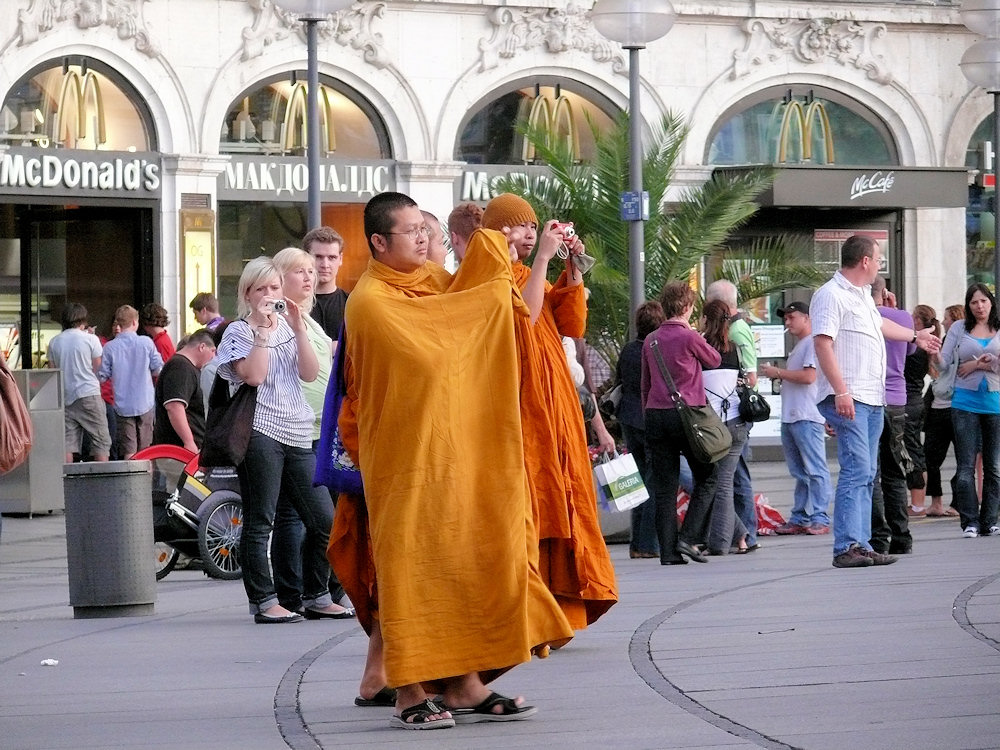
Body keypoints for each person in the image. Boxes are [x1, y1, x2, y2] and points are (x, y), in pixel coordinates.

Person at [334, 191, 572, 728]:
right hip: (406, 460)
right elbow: (439, 349)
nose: (424, 239)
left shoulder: (435, 284)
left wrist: (531, 259)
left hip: (457, 455)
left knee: (464, 558)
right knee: (412, 571)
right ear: (377, 242)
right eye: (411, 232)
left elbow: (509, 318)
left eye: (426, 229)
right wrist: (493, 251)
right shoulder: (371, 301)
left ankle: (465, 684)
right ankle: (408, 691)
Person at [481, 193, 618, 630]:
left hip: (555, 405)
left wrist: (573, 269)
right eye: (520, 226)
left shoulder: (525, 271)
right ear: (499, 230)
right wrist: (542, 258)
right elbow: (525, 313)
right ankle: (533, 607)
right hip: (523, 411)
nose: (528, 233)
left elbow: (571, 325)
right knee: (537, 505)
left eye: (532, 226)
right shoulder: (489, 274)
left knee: (566, 497)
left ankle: (562, 604)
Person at [216, 256, 345, 625]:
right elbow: (253, 376)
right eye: (262, 289)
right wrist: (261, 332)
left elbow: (309, 373)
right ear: (247, 293)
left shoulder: (291, 326)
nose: (270, 295)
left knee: (325, 520)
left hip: (298, 430)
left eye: (274, 288)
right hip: (259, 433)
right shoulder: (237, 332)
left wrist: (298, 328)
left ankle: (316, 594)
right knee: (261, 521)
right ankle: (264, 600)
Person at [811, 234, 939, 568]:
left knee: (867, 472)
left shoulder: (863, 296)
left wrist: (916, 336)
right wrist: (840, 390)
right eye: (878, 258)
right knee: (857, 470)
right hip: (851, 395)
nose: (880, 263)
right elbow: (823, 344)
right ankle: (846, 546)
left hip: (872, 397)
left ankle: (862, 543)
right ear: (865, 261)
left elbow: (879, 324)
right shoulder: (831, 295)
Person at [270, 246, 352, 619]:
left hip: (320, 427)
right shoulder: (280, 318)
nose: (310, 275)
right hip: (296, 428)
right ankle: (304, 593)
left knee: (303, 516)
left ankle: (306, 592)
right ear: (281, 279)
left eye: (311, 269)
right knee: (310, 519)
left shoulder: (309, 318)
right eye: (300, 270)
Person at [641, 280, 721, 565]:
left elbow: (645, 384)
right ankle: (688, 537)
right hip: (687, 415)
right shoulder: (689, 337)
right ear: (687, 307)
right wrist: (694, 334)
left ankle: (668, 552)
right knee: (709, 475)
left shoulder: (651, 340)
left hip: (655, 415)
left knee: (664, 486)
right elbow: (714, 359)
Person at [761, 301, 832, 535]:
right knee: (800, 472)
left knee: (815, 469)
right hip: (793, 416)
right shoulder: (801, 345)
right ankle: (800, 516)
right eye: (786, 318)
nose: (787, 322)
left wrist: (778, 373)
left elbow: (809, 377)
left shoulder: (812, 343)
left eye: (792, 317)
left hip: (806, 415)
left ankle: (819, 516)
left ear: (807, 318)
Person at [937, 282, 1000, 538]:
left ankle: (990, 520)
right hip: (964, 403)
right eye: (974, 302)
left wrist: (977, 365)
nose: (979, 306)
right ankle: (970, 521)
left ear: (991, 302)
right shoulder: (958, 327)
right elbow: (944, 363)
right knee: (965, 466)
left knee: (994, 466)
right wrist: (932, 353)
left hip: (994, 403)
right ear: (968, 305)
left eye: (983, 301)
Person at [705, 279, 760, 552]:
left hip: (731, 415)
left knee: (731, 480)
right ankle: (740, 534)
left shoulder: (736, 332)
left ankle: (741, 535)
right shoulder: (731, 332)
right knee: (729, 479)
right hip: (735, 417)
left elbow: (750, 375)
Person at [615, 300, 666, 559]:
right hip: (649, 418)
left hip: (628, 417)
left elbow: (619, 381)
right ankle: (647, 544)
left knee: (637, 482)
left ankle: (636, 543)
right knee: (654, 481)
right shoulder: (654, 349)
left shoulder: (628, 350)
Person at [869, 276, 916, 556]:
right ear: (885, 292)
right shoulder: (903, 318)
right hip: (898, 399)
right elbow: (910, 351)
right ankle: (902, 536)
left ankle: (879, 537)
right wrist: (896, 310)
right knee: (895, 471)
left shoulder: (863, 315)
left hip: (871, 400)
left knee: (871, 473)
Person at [46, 303, 111, 463]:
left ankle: (65, 484)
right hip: (88, 393)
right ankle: (104, 483)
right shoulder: (91, 339)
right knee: (101, 441)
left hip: (66, 396)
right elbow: (98, 367)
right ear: (82, 320)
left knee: (68, 444)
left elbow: (52, 370)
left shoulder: (54, 342)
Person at [99, 305, 163, 459]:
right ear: (135, 323)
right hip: (145, 402)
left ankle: (133, 481)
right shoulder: (146, 343)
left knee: (129, 449)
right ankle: (148, 481)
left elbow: (102, 376)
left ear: (119, 324)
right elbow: (158, 369)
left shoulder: (109, 347)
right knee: (147, 450)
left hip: (122, 405)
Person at [924, 304, 965, 518]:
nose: (942, 322)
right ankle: (936, 501)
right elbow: (938, 368)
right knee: (930, 456)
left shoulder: (963, 342)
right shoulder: (944, 342)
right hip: (938, 406)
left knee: (962, 458)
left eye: (946, 318)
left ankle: (958, 502)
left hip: (956, 405)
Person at [152, 329, 216, 452]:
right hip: (178, 451)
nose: (213, 357)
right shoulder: (180, 367)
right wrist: (189, 442)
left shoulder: (186, 367)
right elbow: (174, 406)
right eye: (212, 351)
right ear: (202, 347)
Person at [904, 304, 939, 516]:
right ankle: (916, 502)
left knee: (912, 450)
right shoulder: (923, 347)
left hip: (909, 401)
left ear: (917, 321)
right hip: (916, 400)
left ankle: (917, 504)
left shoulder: (915, 348)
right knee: (914, 448)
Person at [303, 226, 348, 341]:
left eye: (332, 257)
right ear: (305, 257)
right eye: (318, 257)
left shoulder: (352, 303)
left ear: (341, 259)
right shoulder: (292, 305)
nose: (325, 264)